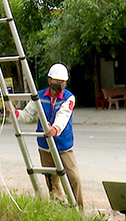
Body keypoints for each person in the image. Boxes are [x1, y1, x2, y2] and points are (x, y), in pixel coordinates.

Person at [16, 63, 83, 207]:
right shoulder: (39, 97)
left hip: (63, 144)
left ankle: (78, 210)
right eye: (57, 82)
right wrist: (15, 114)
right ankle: (58, 206)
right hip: (45, 146)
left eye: (62, 82)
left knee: (74, 177)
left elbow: (64, 116)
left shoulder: (68, 98)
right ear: (49, 81)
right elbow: (27, 114)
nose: (60, 85)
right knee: (51, 179)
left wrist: (55, 128)